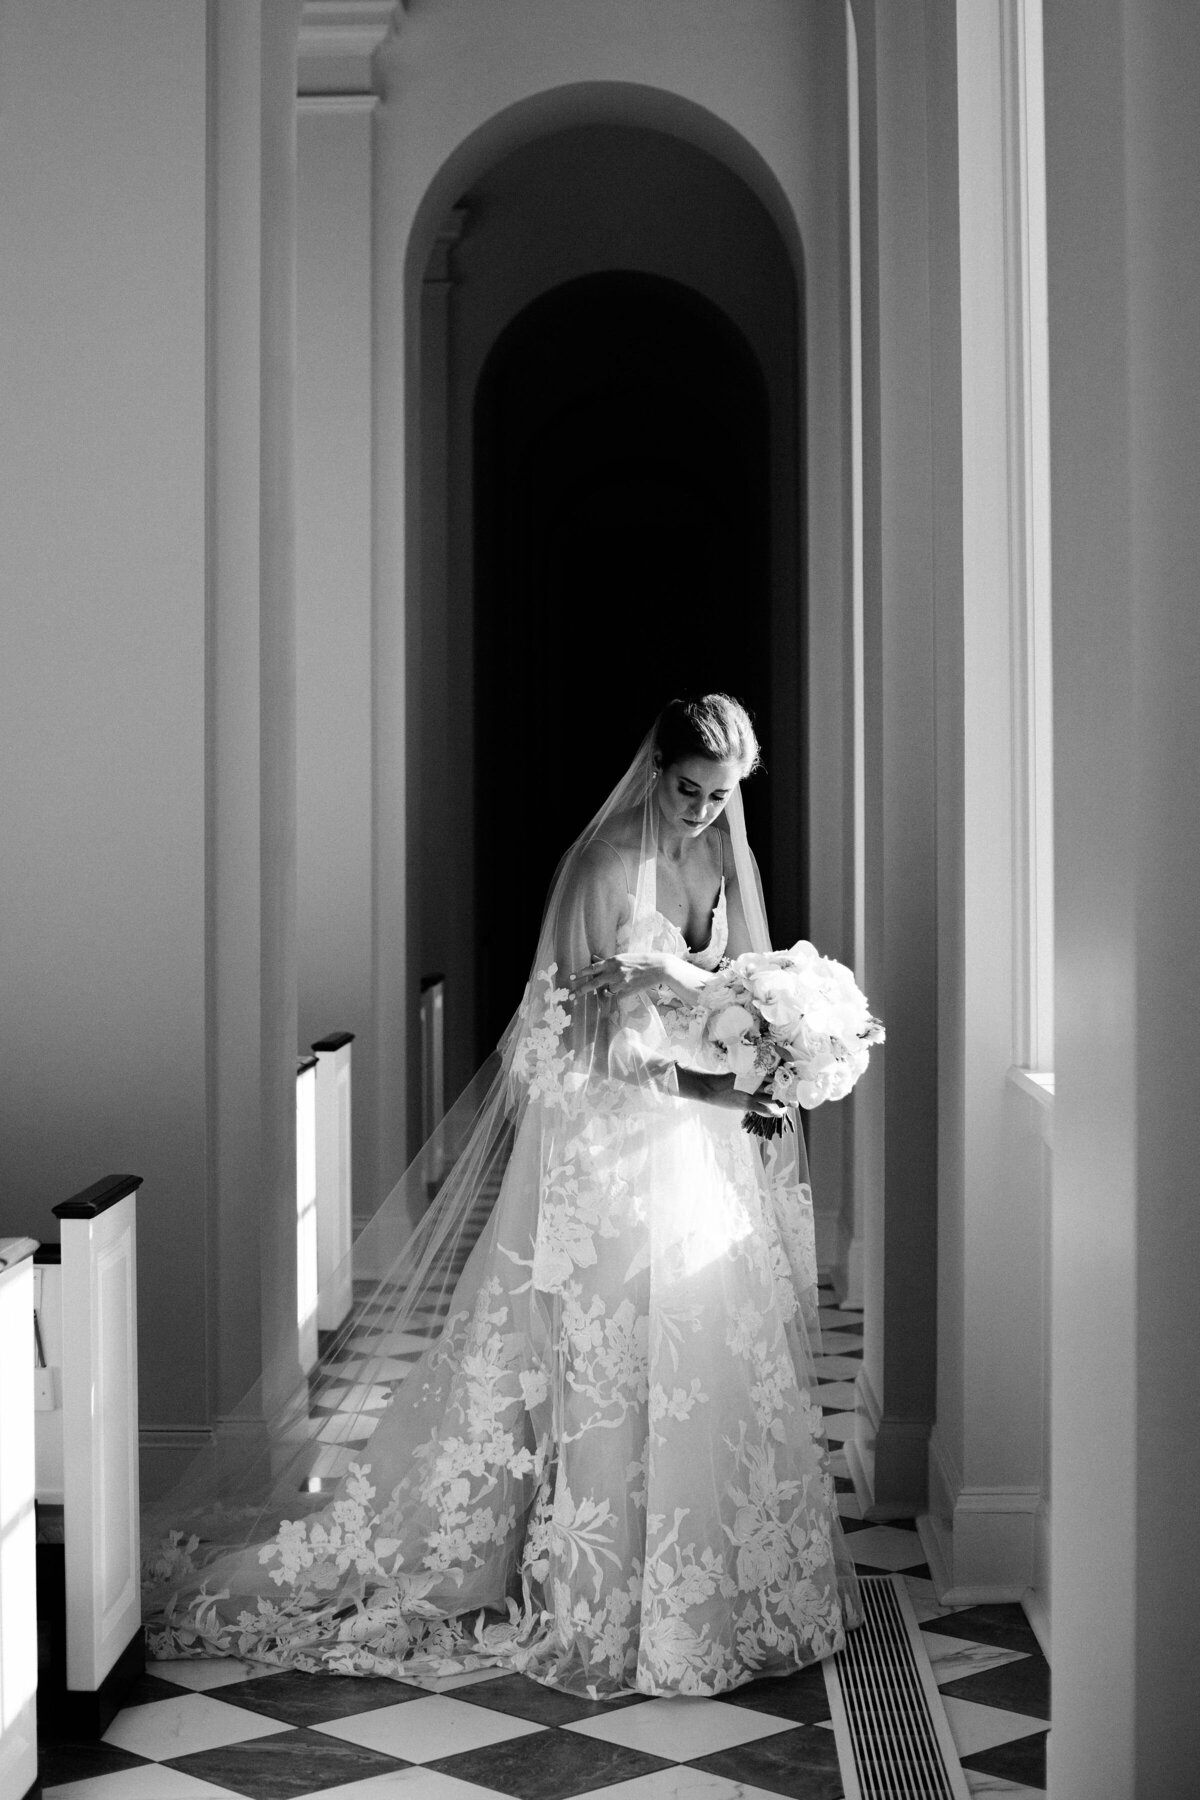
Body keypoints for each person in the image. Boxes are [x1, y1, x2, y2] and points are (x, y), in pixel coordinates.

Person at [144, 694, 861, 1698]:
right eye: (689, 792)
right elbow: (571, 1039)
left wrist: (772, 1063)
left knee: (702, 1352)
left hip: (695, 1144)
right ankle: (594, 1584)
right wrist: (716, 1084)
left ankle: (705, 1583)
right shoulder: (603, 866)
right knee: (604, 1359)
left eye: (721, 797)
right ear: (655, 771)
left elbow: (736, 990)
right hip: (610, 1142)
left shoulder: (721, 860)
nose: (703, 814)